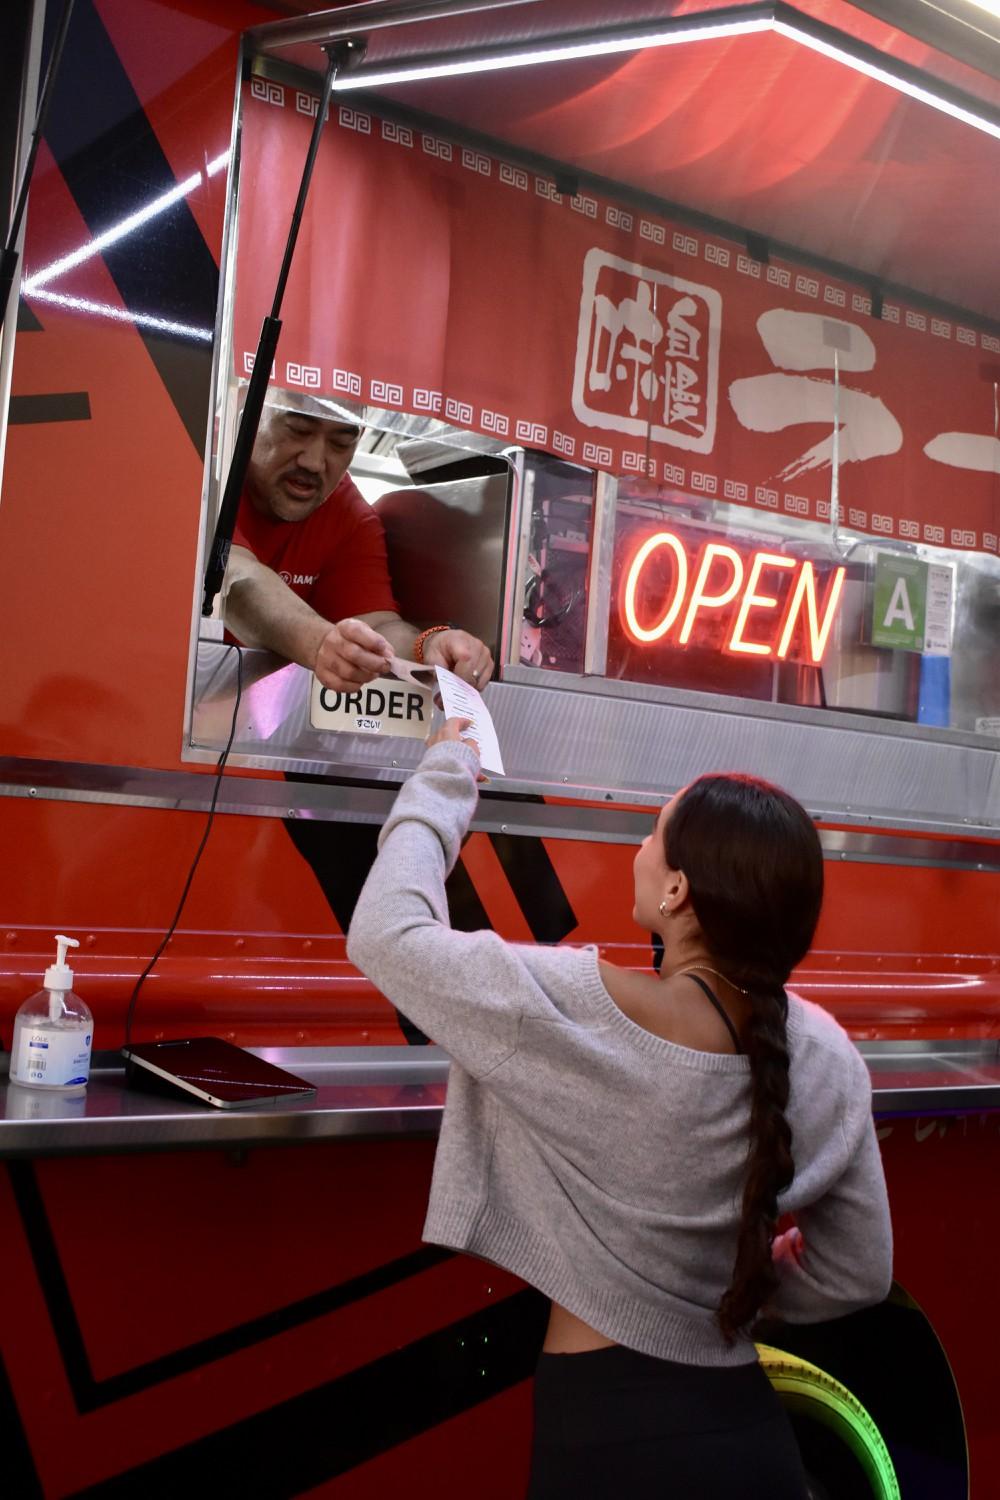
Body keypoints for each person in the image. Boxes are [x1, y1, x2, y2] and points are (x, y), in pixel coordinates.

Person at [346, 721, 893, 1499]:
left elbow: (387, 933)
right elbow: (860, 1273)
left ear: (677, 891)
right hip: (752, 1437)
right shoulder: (829, 1056)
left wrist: (449, 763)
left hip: (606, 1437)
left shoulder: (571, 1008)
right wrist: (735, 1288)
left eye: (651, 833)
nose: (639, 848)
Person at [222, 395, 494, 690]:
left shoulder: (349, 516)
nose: (314, 462)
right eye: (298, 430)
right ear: (245, 409)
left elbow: (378, 628)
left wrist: (429, 646)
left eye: (340, 443)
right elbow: (234, 579)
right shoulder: (204, 470)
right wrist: (320, 643)